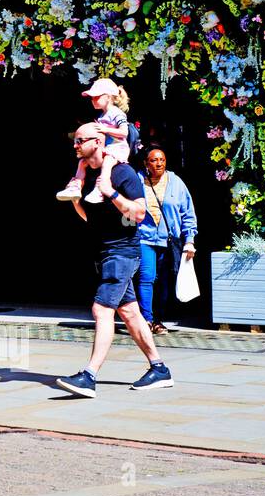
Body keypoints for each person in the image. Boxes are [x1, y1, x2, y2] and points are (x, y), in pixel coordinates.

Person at [56, 123, 173, 397]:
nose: (75, 145)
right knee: (130, 313)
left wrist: (112, 193)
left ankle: (89, 375)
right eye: (75, 139)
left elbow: (140, 214)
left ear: (98, 142)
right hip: (105, 253)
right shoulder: (89, 173)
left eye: (80, 140)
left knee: (101, 311)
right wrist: (76, 201)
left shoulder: (123, 174)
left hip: (122, 253)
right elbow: (89, 216)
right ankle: (159, 369)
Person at [138, 148, 199, 334]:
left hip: (168, 240)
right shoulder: (137, 180)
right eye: (154, 160)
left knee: (163, 281)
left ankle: (158, 319)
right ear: (146, 163)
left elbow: (188, 213)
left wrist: (190, 240)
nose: (159, 163)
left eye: (162, 160)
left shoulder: (176, 182)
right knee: (147, 277)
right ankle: (146, 320)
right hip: (144, 238)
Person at [56, 78, 134, 204]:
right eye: (92, 97)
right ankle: (75, 187)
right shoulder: (102, 115)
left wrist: (105, 129)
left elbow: (124, 133)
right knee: (82, 162)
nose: (93, 100)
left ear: (108, 97)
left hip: (116, 149)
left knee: (107, 163)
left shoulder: (117, 113)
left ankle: (100, 189)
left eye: (96, 96)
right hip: (104, 148)